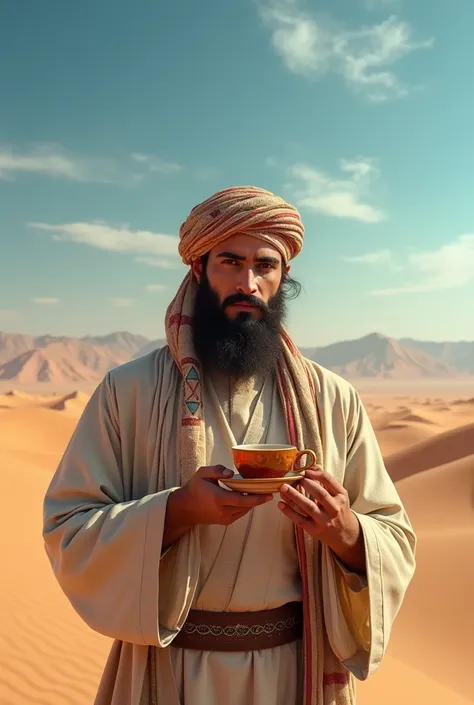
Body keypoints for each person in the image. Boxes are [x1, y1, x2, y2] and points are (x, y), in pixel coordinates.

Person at [42, 186, 416, 705]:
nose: (248, 283)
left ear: (283, 277)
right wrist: (175, 512)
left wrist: (347, 533)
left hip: (295, 672)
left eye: (265, 266)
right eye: (229, 262)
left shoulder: (333, 398)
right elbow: (68, 528)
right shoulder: (129, 391)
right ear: (198, 270)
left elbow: (395, 537)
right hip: (168, 671)